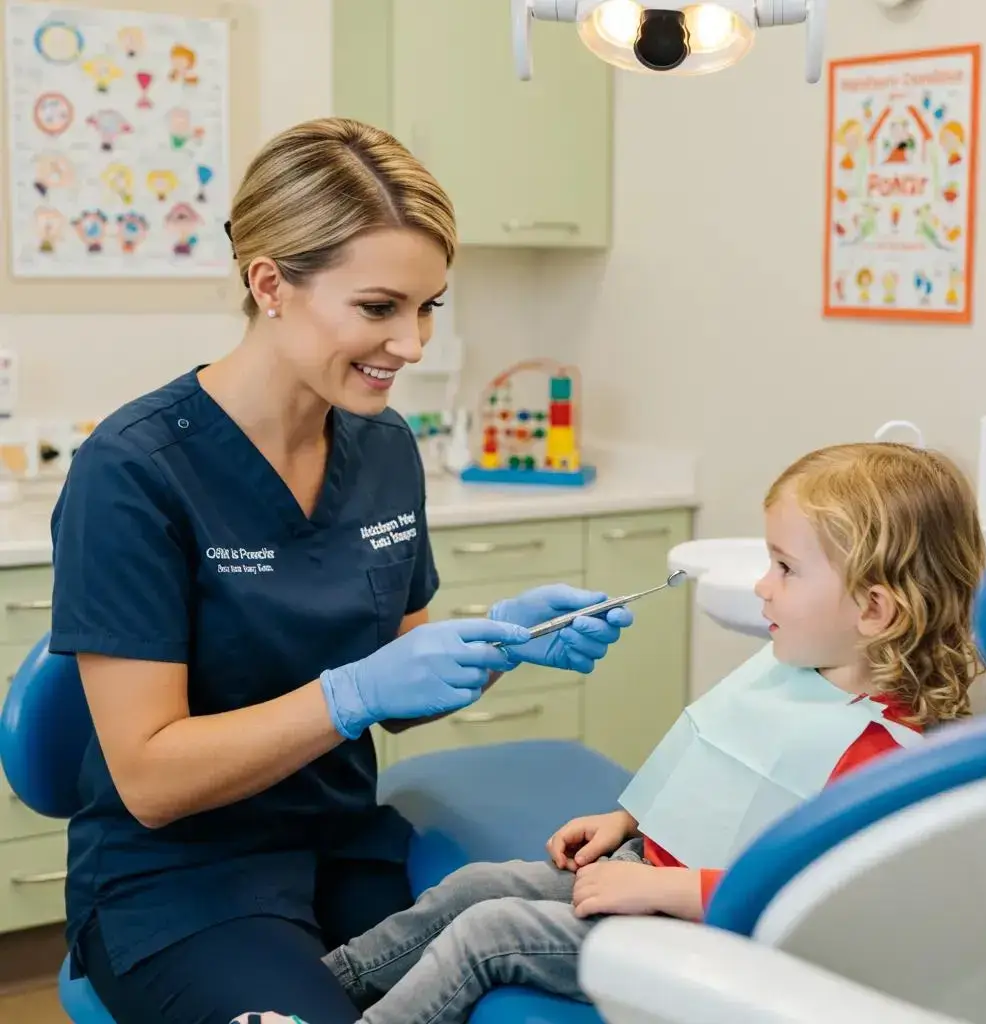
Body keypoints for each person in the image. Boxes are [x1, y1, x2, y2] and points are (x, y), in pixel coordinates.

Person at [48, 117, 633, 1024]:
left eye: (430, 305)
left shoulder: (383, 443)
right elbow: (152, 781)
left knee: (539, 992)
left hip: (342, 842)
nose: (413, 343)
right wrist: (347, 695)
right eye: (378, 307)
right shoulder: (135, 470)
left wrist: (501, 643)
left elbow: (397, 664)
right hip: (183, 879)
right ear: (271, 284)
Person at [318, 442, 986, 1024]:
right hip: (650, 876)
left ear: (872, 608)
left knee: (491, 933)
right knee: (473, 887)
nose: (762, 586)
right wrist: (627, 821)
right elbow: (714, 768)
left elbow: (810, 899)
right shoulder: (797, 671)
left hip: (706, 940)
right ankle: (324, 985)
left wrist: (661, 890)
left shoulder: (877, 758)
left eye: (785, 568)